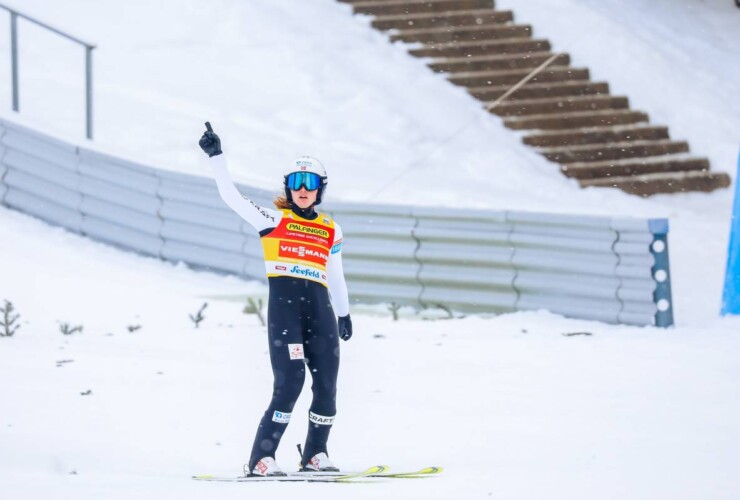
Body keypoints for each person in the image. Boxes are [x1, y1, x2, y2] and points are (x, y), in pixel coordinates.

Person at [198, 122, 353, 477]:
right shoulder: (272, 219)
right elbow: (231, 198)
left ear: (320, 190)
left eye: (310, 183)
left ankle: (316, 453)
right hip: (287, 316)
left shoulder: (331, 229)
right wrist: (216, 157)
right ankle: (260, 459)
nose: (302, 190)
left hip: (322, 314)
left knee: (327, 385)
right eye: (296, 183)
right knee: (291, 382)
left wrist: (343, 315)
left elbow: (335, 275)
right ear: (288, 187)